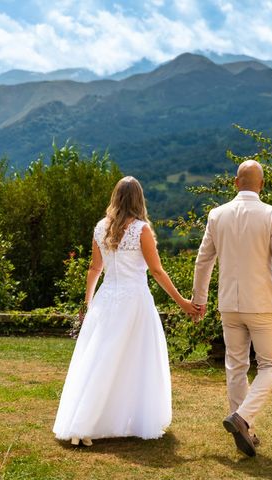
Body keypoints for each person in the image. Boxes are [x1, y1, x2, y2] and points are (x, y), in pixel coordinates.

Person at [53, 176, 199, 446]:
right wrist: (183, 302)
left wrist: (89, 303)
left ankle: (84, 423)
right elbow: (156, 270)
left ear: (115, 197)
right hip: (134, 301)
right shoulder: (141, 229)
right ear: (138, 199)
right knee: (133, 360)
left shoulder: (100, 228)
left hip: (106, 300)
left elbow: (95, 268)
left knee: (100, 359)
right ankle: (114, 419)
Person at [192, 160, 272, 457]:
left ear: (234, 182)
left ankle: (245, 431)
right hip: (262, 305)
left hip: (229, 305)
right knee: (271, 365)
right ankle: (242, 419)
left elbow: (203, 260)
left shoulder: (217, 215)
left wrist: (199, 300)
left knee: (236, 366)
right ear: (262, 185)